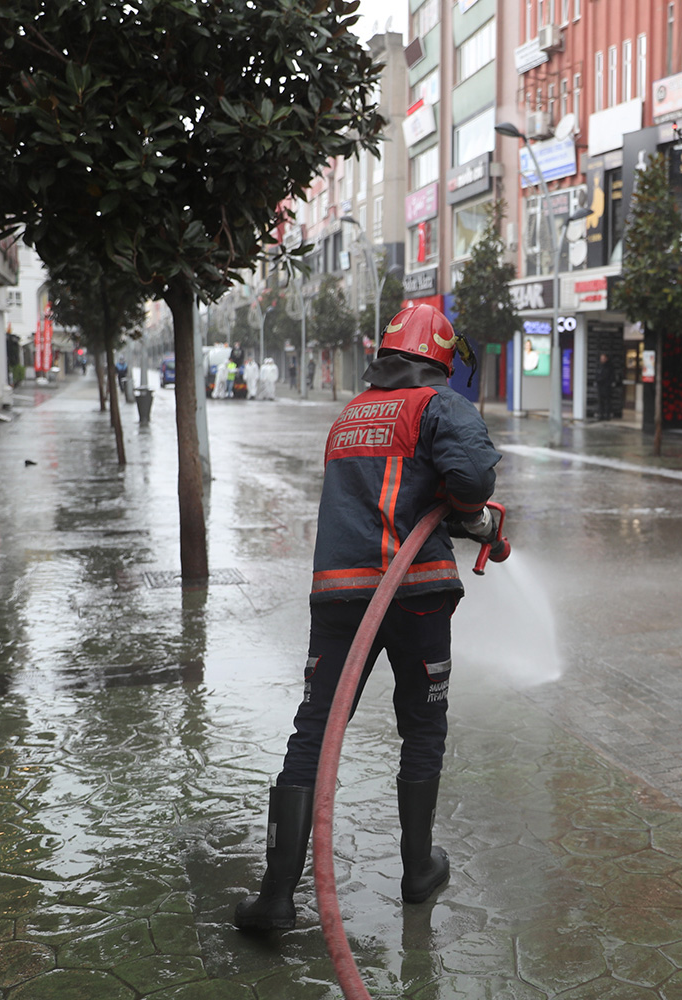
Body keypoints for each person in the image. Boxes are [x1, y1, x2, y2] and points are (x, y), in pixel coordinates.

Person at [233, 303, 501, 930]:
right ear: (438, 357)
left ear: (386, 355)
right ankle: (416, 869)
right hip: (417, 593)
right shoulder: (435, 403)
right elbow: (471, 475)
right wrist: (468, 509)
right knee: (422, 727)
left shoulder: (352, 413)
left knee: (315, 732)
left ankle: (275, 897)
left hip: (339, 598)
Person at [595, 352, 616, 421]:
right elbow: (597, 375)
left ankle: (607, 415)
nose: (602, 360)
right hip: (600, 386)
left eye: (603, 358)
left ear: (606, 359)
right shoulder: (599, 366)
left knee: (607, 401)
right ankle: (601, 415)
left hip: (607, 386)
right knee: (600, 401)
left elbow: (610, 376)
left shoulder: (609, 367)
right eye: (601, 358)